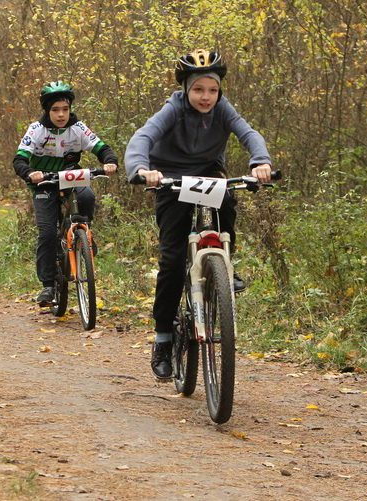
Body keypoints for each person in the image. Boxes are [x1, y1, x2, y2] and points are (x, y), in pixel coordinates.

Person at [124, 49, 273, 379]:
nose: (206, 97)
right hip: (169, 176)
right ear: (186, 89)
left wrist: (260, 161)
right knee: (173, 260)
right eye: (198, 89)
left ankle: (224, 264)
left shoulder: (222, 108)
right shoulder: (173, 108)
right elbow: (143, 137)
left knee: (227, 201)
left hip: (207, 171)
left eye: (213, 90)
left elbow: (248, 133)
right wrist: (141, 169)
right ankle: (163, 338)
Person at [13, 81, 118, 306]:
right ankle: (48, 286)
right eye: (55, 110)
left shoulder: (78, 128)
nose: (61, 114)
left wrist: (109, 161)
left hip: (71, 177)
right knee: (47, 233)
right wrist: (29, 173)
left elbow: (102, 148)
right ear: (47, 110)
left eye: (65, 109)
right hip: (44, 182)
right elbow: (19, 159)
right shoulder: (36, 130)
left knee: (87, 196)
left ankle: (84, 233)